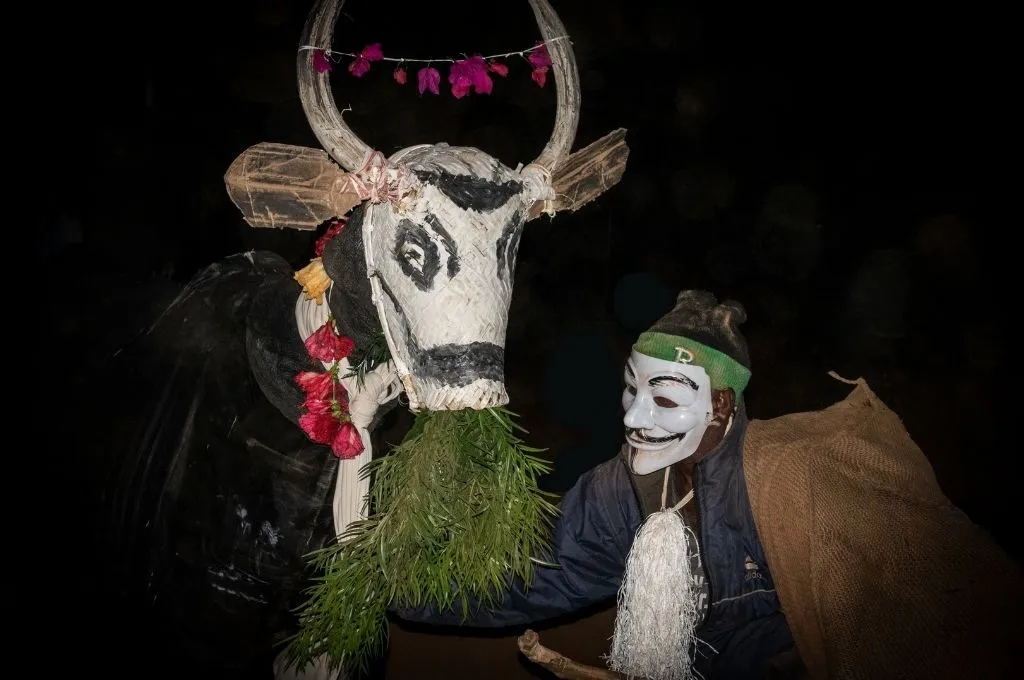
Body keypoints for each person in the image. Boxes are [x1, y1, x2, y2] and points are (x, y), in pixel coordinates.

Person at [397, 289, 1023, 680]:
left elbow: (917, 614)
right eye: (631, 390)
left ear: (722, 408)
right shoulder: (623, 492)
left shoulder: (790, 480)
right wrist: (399, 592)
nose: (634, 418)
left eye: (665, 399)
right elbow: (537, 577)